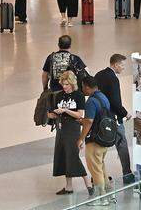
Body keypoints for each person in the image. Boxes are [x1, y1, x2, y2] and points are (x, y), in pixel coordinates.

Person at [48, 71, 90, 196]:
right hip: (61, 128)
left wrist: (66, 110)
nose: (64, 87)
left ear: (72, 83)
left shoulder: (79, 96)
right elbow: (53, 113)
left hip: (73, 129)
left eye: (66, 84)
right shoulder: (59, 95)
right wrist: (51, 114)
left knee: (72, 155)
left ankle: (87, 183)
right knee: (64, 155)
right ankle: (69, 186)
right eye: (63, 84)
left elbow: (80, 114)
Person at [94, 54, 133, 185]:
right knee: (121, 144)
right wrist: (125, 113)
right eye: (122, 65)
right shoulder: (113, 79)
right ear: (115, 65)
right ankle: (127, 174)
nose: (123, 68)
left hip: (100, 117)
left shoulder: (99, 75)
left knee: (100, 147)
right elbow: (115, 102)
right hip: (113, 118)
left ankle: (98, 175)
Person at [80, 75, 115, 200]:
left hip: (94, 141)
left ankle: (101, 197)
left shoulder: (91, 101)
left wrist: (80, 138)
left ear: (88, 87)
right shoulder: (103, 97)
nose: (82, 89)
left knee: (95, 169)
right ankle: (108, 192)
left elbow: (89, 121)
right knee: (100, 166)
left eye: (83, 86)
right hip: (105, 138)